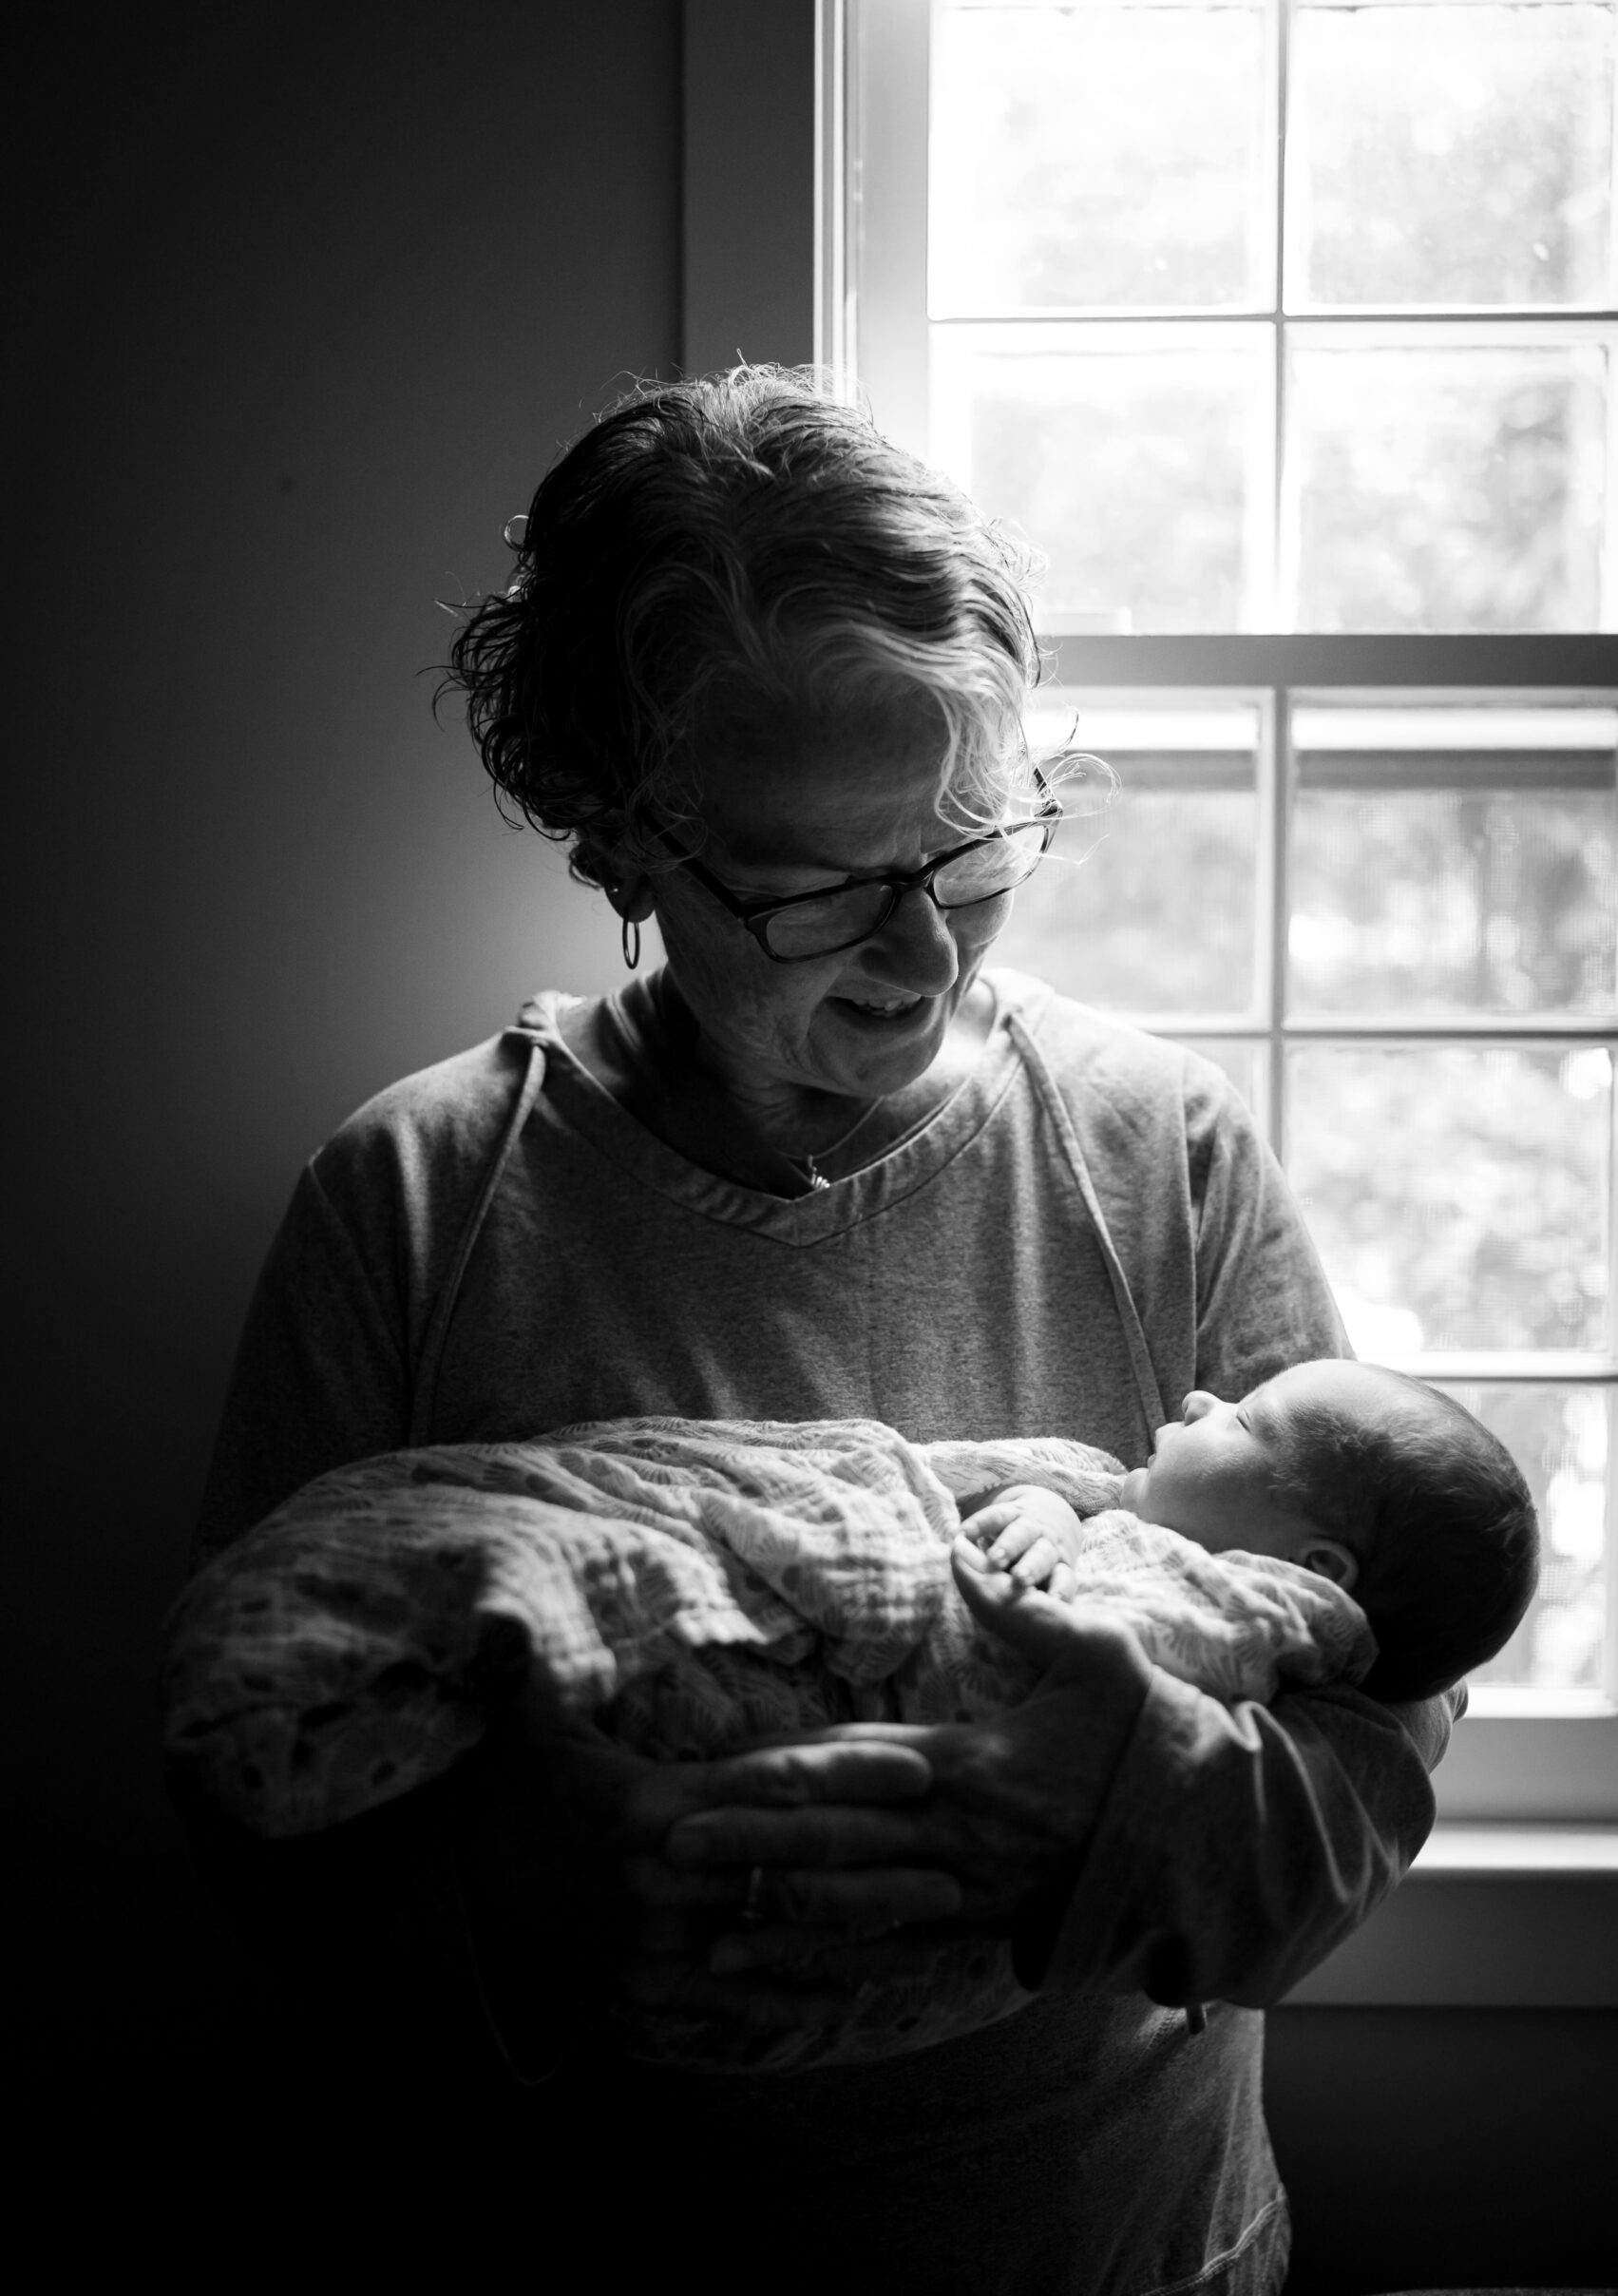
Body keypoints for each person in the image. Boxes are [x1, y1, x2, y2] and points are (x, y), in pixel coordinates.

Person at [188, 366, 1459, 2293]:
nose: (922, 948)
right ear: (622, 846)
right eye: (813, 889)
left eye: (967, 847)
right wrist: (520, 1903)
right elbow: (245, 1790)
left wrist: (1122, 1809)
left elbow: (1377, 1739)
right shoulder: (422, 1205)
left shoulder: (1159, 1156)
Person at [967, 1357, 1539, 1704]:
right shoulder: (1128, 1524)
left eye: (1242, 1419)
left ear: (1307, 1574)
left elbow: (1027, 1638)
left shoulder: (1224, 1641)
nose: (1199, 1400)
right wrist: (1047, 1511)